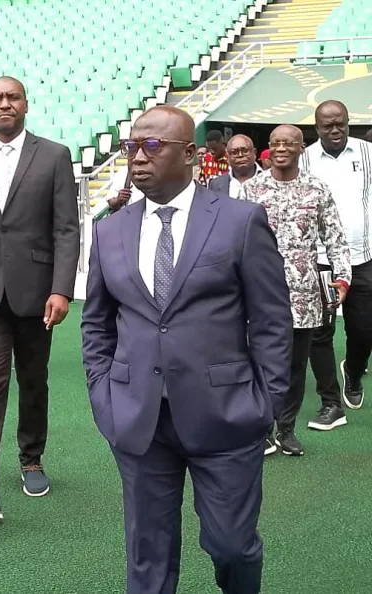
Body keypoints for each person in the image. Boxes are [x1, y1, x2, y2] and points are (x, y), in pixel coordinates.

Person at [81, 106, 292, 594]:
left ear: (191, 155)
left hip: (227, 415)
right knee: (147, 559)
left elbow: (271, 320)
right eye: (132, 146)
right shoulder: (110, 229)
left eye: (153, 147)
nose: (138, 156)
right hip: (138, 419)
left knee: (232, 547)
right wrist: (103, 395)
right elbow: (96, 322)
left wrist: (268, 404)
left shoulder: (241, 221)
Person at [0, 76, 80, 521]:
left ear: (25, 104)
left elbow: (66, 228)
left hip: (37, 291)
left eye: (12, 97)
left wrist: (62, 288)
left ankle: (31, 458)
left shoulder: (54, 155)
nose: (4, 104)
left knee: (33, 379)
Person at [239, 124, 351, 455]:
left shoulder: (317, 190)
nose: (282, 148)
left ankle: (285, 430)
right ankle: (261, 429)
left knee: (295, 366)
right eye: (275, 143)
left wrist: (342, 278)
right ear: (269, 149)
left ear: (302, 148)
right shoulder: (251, 190)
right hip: (258, 292)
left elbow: (335, 237)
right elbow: (232, 239)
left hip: (304, 294)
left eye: (289, 143)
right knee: (258, 362)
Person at [303, 100, 372, 423]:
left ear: (348, 122)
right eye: (327, 125)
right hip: (321, 260)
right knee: (321, 333)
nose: (335, 130)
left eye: (340, 123)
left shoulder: (367, 152)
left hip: (363, 257)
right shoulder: (305, 159)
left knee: (363, 329)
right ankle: (330, 402)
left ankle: (354, 370)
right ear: (317, 128)